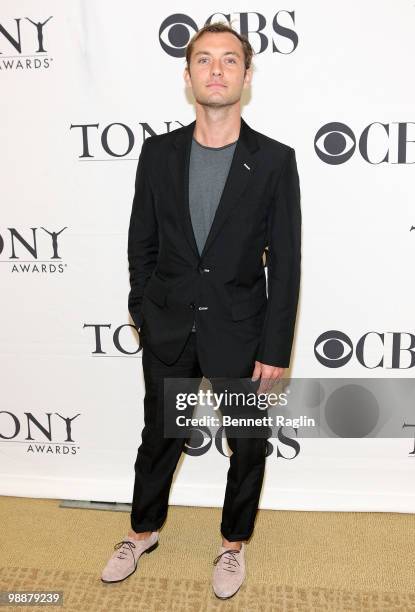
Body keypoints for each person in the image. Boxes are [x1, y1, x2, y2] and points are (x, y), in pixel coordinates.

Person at [101, 21, 302, 600]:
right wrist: (145, 307)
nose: (217, 69)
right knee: (159, 437)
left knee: (248, 444)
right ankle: (141, 532)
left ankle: (233, 544)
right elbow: (142, 242)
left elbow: (285, 263)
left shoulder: (274, 161)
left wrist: (274, 348)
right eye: (205, 60)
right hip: (169, 325)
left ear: (246, 74)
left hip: (241, 330)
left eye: (230, 60)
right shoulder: (158, 153)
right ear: (187, 76)